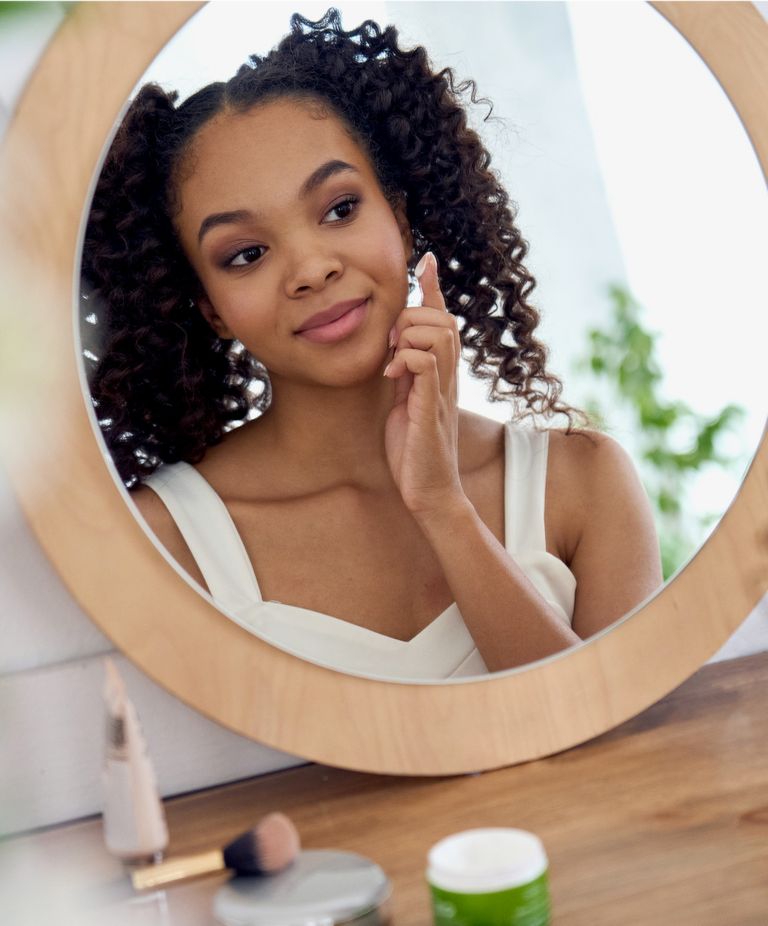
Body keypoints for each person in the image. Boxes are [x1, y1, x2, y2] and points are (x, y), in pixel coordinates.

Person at [81, 8, 662, 679]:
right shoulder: (164, 541)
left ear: (402, 214)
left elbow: (609, 741)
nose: (310, 268)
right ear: (209, 308)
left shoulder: (584, 483)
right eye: (245, 254)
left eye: (339, 208)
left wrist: (443, 508)